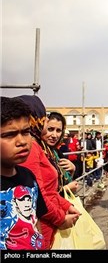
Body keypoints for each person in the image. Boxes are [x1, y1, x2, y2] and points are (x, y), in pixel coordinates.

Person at [17, 95, 81, 249]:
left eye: (59, 130)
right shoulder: (31, 147)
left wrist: (65, 205)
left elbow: (48, 187)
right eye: (46, 121)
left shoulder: (48, 150)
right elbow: (38, 194)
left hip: (48, 221)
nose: (54, 134)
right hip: (41, 225)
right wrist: (61, 218)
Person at [0, 96, 48, 250]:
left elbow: (35, 223)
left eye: (26, 132)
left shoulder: (28, 176)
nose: (21, 141)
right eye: (9, 135)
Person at [44, 112, 79, 194]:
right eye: (50, 129)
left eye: (58, 130)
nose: (54, 135)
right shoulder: (38, 152)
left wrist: (72, 169)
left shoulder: (56, 153)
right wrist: (65, 189)